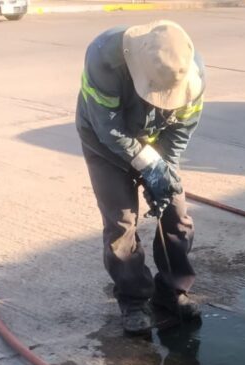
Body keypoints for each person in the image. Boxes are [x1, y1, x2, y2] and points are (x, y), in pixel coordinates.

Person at [76, 20, 204, 336]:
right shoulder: (104, 58)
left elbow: (180, 131)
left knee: (176, 215)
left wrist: (164, 171)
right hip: (104, 145)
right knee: (121, 223)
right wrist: (149, 166)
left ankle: (172, 290)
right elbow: (109, 129)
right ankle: (133, 300)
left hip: (156, 143)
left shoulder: (190, 72)